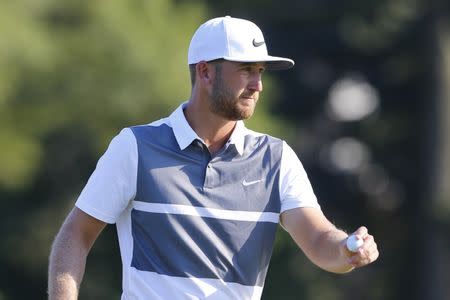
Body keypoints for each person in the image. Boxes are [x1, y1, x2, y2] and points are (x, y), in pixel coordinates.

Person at [48, 16, 378, 300]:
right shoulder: (135, 147)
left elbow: (319, 239)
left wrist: (347, 249)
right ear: (205, 72)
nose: (258, 84)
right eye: (247, 70)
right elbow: (75, 235)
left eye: (260, 71)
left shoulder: (276, 159)